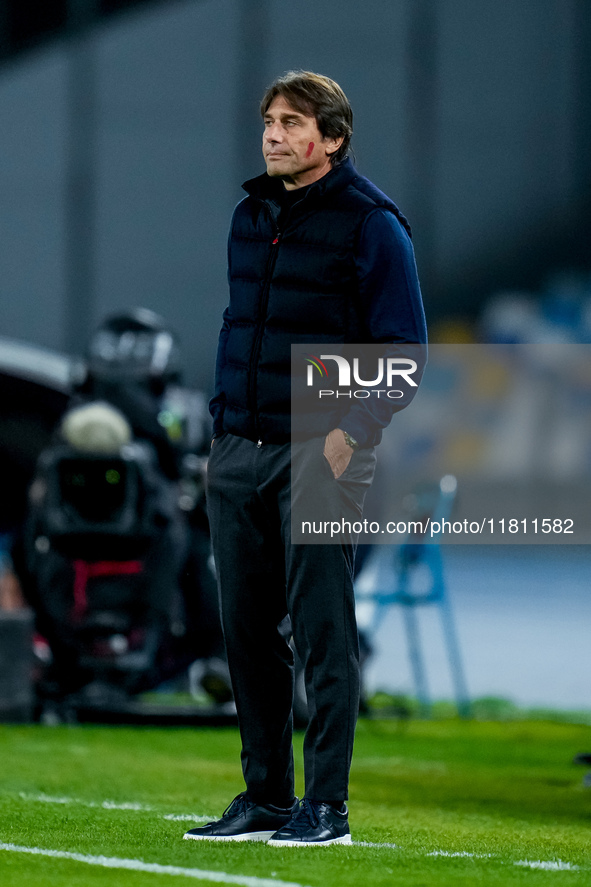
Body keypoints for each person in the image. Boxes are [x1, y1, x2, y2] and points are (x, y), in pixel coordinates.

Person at [184, 70, 427, 847]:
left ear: (332, 138)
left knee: (322, 632)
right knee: (246, 630)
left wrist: (349, 428)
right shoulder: (250, 215)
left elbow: (403, 351)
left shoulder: (372, 224)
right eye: (268, 121)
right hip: (238, 449)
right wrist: (221, 433)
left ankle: (327, 805)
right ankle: (266, 796)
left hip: (320, 450)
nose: (273, 135)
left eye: (291, 123)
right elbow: (237, 328)